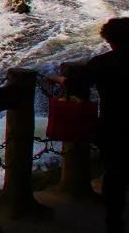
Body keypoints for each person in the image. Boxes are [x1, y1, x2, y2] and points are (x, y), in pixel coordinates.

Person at [53, 17, 129, 233]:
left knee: (115, 175)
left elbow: (77, 83)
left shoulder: (103, 62)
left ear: (110, 40)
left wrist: (59, 80)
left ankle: (114, 223)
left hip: (115, 125)